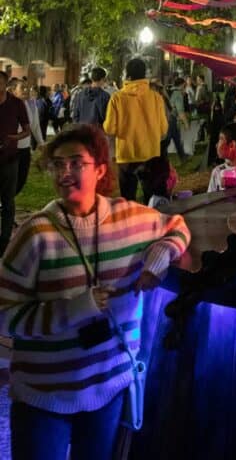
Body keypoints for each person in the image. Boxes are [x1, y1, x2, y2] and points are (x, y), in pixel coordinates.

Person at [0, 123, 190, 460]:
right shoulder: (35, 236)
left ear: (100, 169)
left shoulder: (130, 219)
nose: (65, 172)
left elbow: (176, 225)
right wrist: (72, 310)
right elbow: (4, 315)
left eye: (76, 162)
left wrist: (161, 255)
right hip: (44, 396)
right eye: (58, 164)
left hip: (108, 389)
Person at [103, 58, 168, 201]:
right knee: (152, 199)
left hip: (127, 156)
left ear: (128, 75)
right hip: (150, 154)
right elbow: (163, 129)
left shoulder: (117, 98)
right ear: (145, 74)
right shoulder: (156, 97)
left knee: (128, 200)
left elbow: (109, 129)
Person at [0, 71, 30, 254]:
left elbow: (26, 130)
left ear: (5, 84)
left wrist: (13, 138)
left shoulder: (16, 104)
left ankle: (4, 242)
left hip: (9, 159)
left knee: (8, 202)